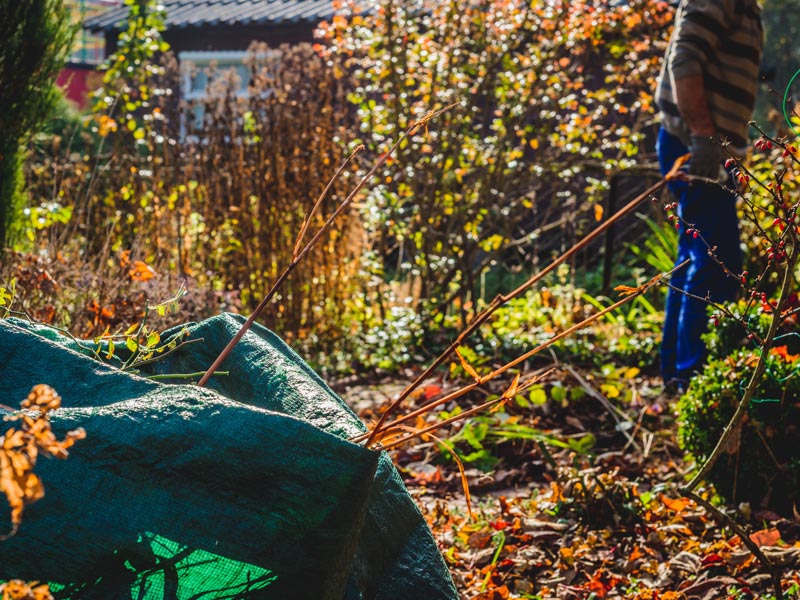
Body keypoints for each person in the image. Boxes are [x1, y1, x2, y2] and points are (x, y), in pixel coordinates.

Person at [654, 0, 763, 393]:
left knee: (695, 259)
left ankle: (678, 376)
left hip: (702, 145)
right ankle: (695, 378)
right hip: (694, 145)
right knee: (718, 263)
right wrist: (703, 138)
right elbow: (684, 59)